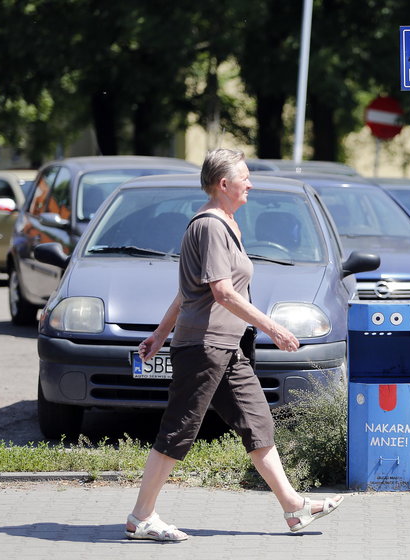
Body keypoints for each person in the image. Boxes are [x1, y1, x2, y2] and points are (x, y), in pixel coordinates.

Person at [125, 148, 343, 541]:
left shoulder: (226, 225)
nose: (250, 183)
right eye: (244, 177)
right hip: (205, 346)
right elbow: (221, 292)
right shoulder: (208, 226)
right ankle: (142, 516)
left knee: (257, 422)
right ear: (223, 184)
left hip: (228, 346)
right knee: (179, 430)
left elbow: (187, 292)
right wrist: (273, 328)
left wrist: (159, 334)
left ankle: (293, 507)